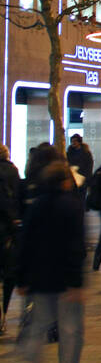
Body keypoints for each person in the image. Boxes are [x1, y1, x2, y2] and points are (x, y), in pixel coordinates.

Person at [11, 151, 85, 363]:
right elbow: (76, 245)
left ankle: (27, 361)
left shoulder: (37, 205)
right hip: (65, 278)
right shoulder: (71, 205)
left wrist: (21, 279)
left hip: (39, 276)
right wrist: (77, 282)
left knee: (38, 325)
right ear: (65, 181)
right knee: (70, 330)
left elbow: (25, 243)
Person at [0, 143, 22, 336]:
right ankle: (3, 312)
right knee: (9, 274)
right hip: (7, 229)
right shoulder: (12, 171)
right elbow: (16, 198)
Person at [67, 133, 94, 199]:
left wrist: (87, 177)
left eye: (75, 141)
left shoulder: (85, 152)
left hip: (82, 176)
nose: (73, 143)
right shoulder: (70, 152)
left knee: (81, 195)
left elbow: (89, 165)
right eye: (72, 141)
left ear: (79, 142)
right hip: (73, 176)